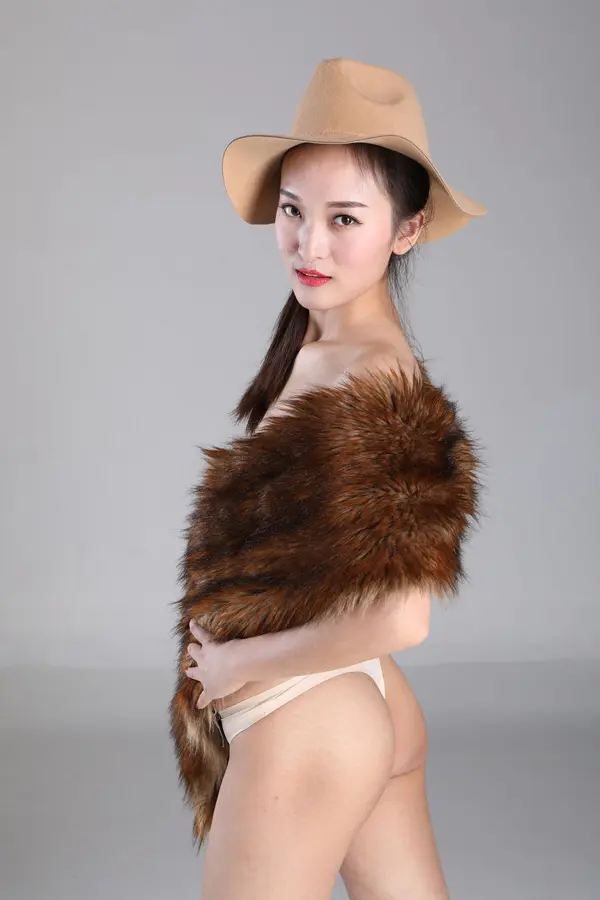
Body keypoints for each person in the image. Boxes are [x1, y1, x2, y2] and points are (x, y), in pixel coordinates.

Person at [170, 57, 486, 900]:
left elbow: (403, 615)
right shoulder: (321, 345)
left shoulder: (376, 377)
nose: (310, 244)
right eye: (292, 210)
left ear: (407, 230)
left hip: (307, 717)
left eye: (345, 218)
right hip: (342, 704)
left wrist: (242, 664)